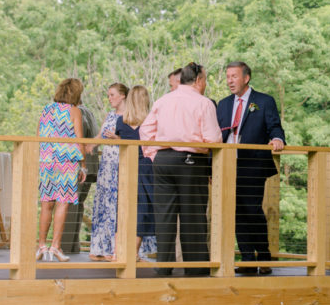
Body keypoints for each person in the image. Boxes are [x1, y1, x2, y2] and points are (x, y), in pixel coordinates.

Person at [140, 62, 222, 276]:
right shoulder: (203, 103)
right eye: (205, 79)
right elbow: (213, 139)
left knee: (164, 215)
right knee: (192, 216)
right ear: (198, 80)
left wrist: (153, 153)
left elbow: (145, 129)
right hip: (191, 161)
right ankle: (195, 269)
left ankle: (164, 267)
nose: (205, 83)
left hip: (163, 160)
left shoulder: (163, 100)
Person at [216, 61, 285, 274]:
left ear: (246, 78)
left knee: (252, 209)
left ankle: (264, 256)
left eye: (234, 76)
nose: (230, 81)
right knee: (236, 212)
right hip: (228, 165)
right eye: (228, 76)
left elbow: (274, 126)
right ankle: (246, 259)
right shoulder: (224, 104)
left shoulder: (264, 101)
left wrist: (277, 139)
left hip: (253, 163)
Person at [36, 78, 86, 263]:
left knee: (46, 203)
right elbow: (80, 140)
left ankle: (41, 245)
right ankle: (55, 246)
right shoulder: (74, 111)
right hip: (66, 162)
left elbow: (38, 136)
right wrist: (83, 166)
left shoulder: (46, 110)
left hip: (46, 161)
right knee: (62, 203)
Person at [89, 82, 129, 260]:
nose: (110, 98)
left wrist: (118, 138)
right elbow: (100, 135)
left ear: (123, 96)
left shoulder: (129, 116)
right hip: (107, 163)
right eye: (108, 95)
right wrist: (90, 145)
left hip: (120, 162)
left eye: (112, 95)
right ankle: (101, 246)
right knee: (104, 202)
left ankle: (116, 247)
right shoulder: (110, 115)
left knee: (117, 203)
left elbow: (135, 138)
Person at [115, 85, 155, 260]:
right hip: (145, 168)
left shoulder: (120, 122)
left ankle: (120, 251)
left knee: (124, 207)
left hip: (125, 168)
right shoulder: (150, 122)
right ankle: (132, 252)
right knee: (143, 209)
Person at [61, 100, 98, 255]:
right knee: (78, 204)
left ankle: (64, 247)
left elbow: (78, 139)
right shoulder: (88, 111)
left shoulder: (78, 113)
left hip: (80, 165)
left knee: (69, 205)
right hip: (91, 164)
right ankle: (72, 246)